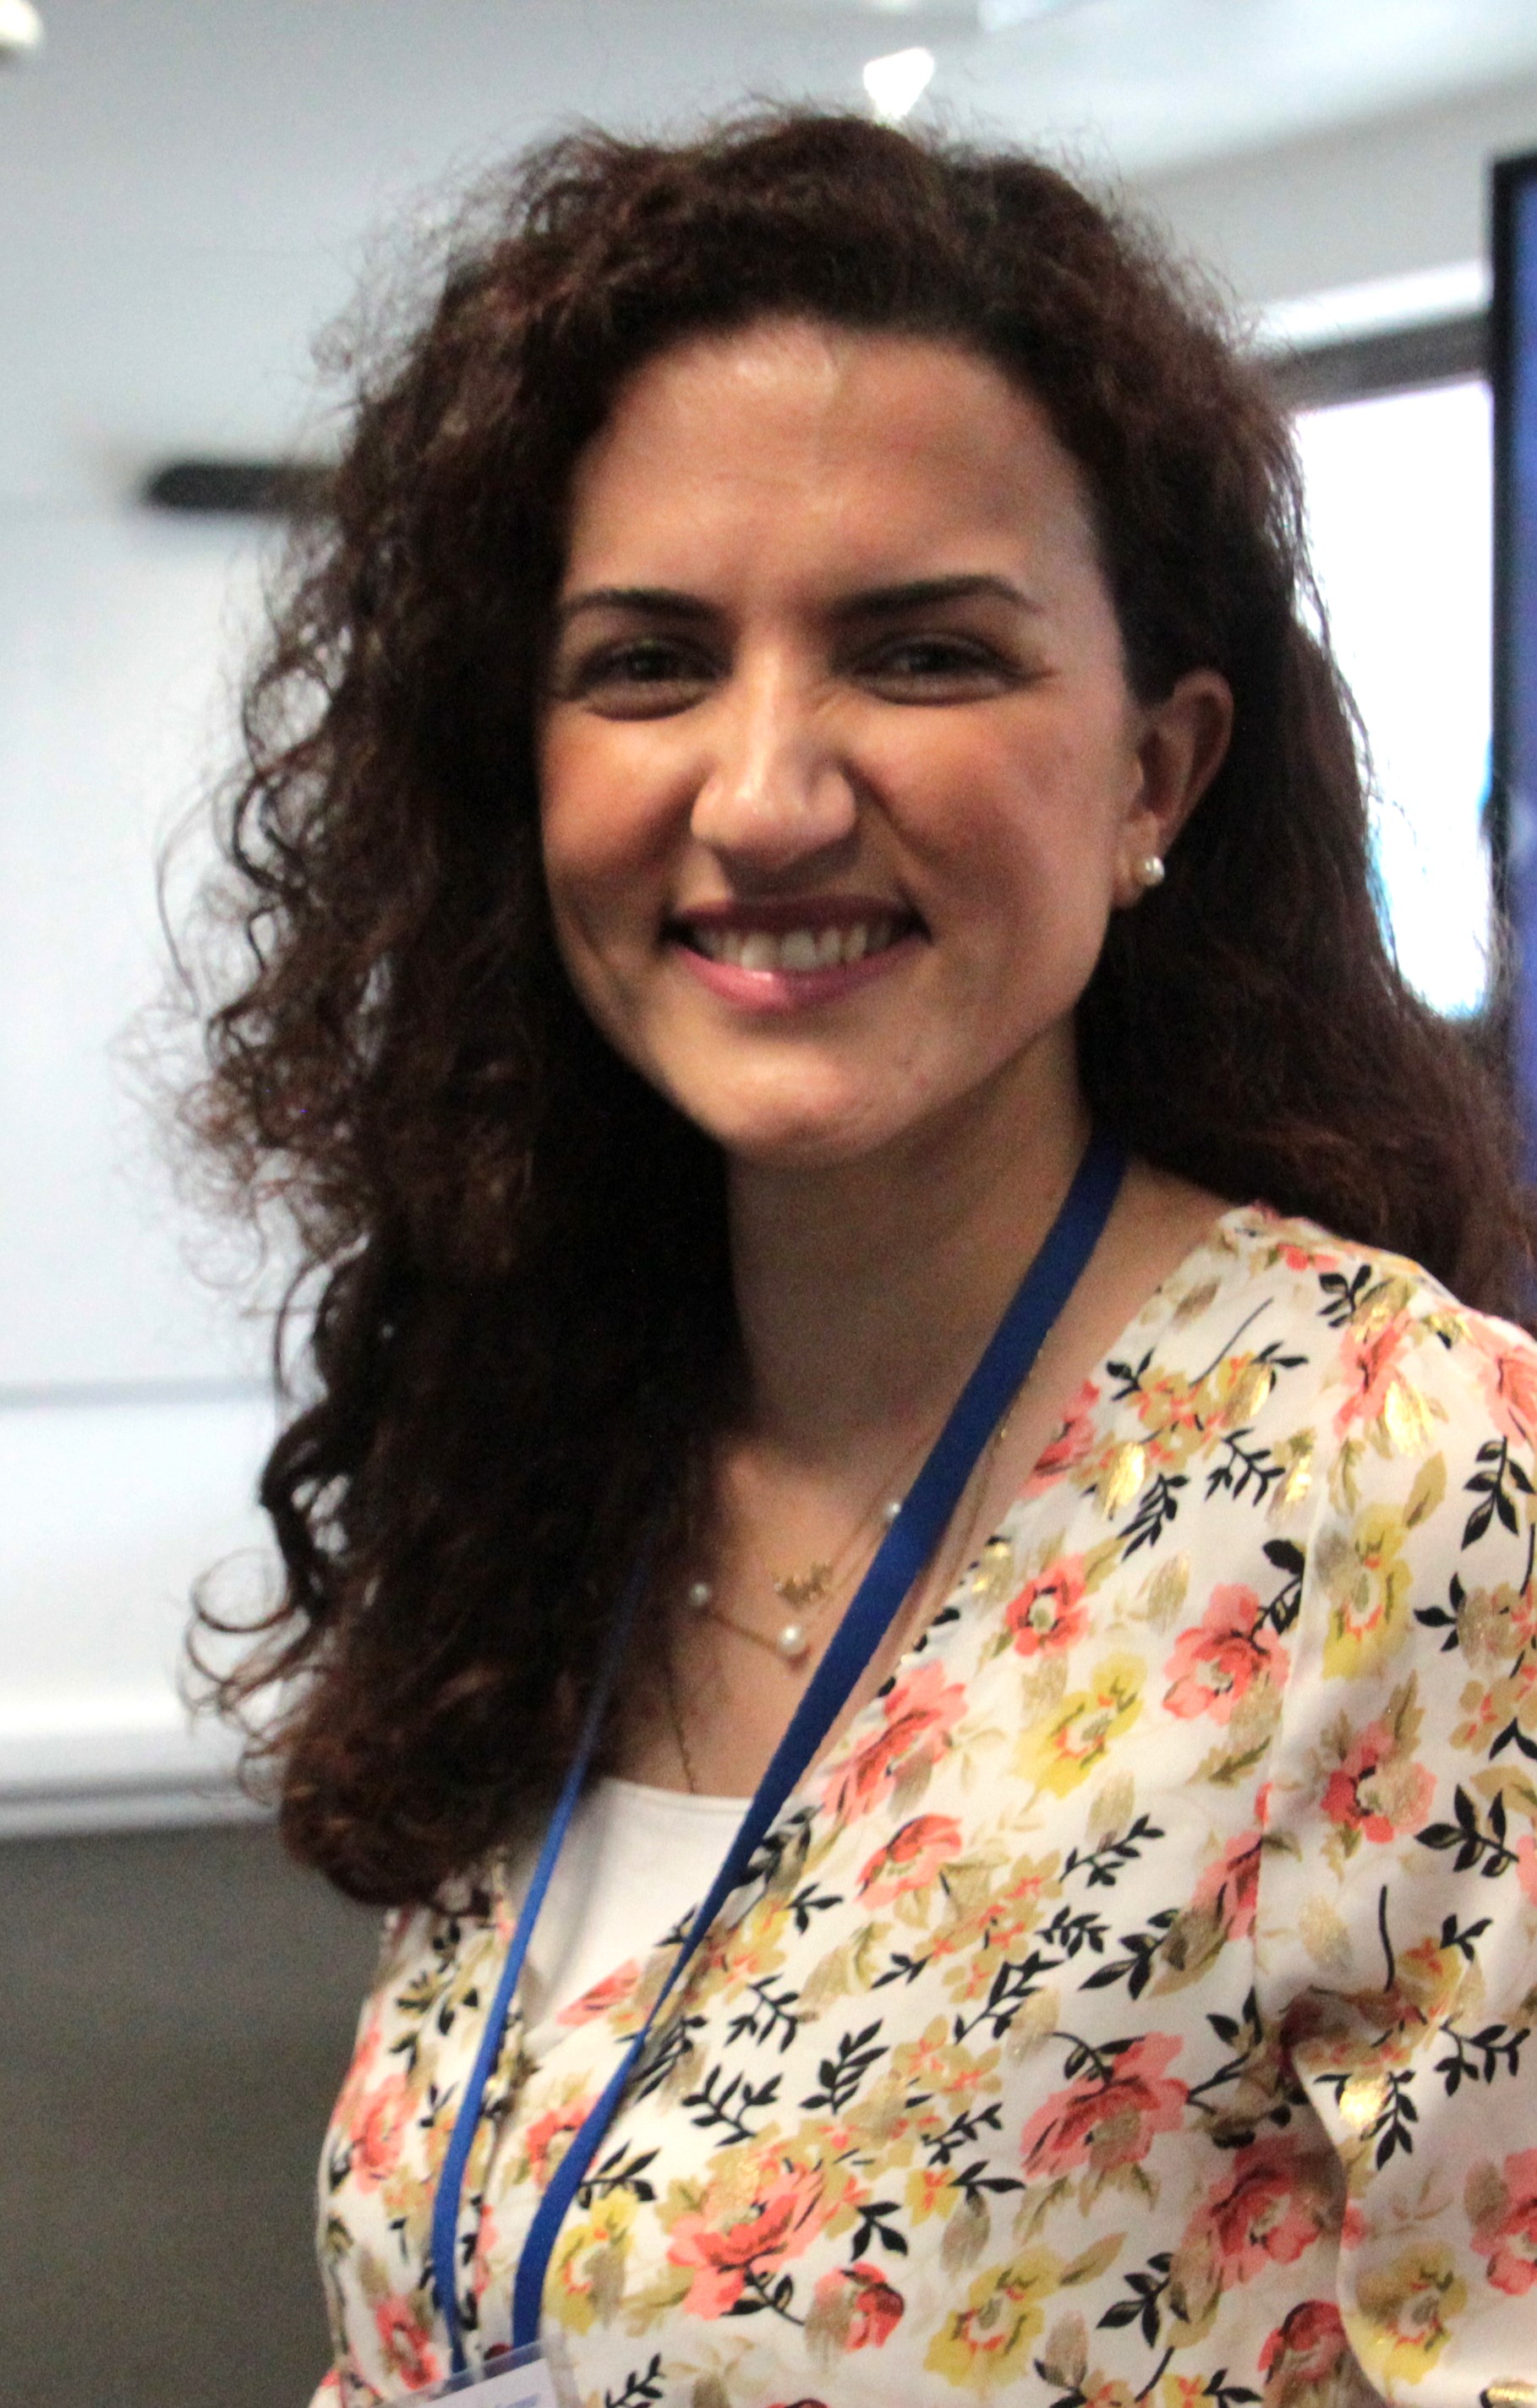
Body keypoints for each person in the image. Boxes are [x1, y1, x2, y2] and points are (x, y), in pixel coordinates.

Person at [189, 110, 1537, 2408]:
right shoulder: (561, 1443)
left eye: (920, 654)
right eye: (647, 664)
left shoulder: (1405, 1491)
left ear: (1153, 774)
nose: (765, 795)